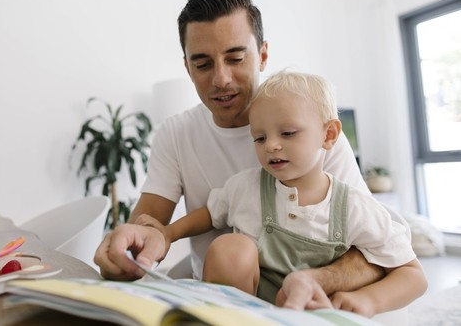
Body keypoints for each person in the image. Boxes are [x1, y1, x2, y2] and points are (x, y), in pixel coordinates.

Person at [94, 0, 391, 310]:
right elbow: (148, 227)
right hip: (221, 296)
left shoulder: (313, 134)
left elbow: (375, 251)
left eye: (236, 58)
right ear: (188, 68)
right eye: (203, 64)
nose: (221, 79)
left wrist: (313, 281)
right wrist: (129, 247)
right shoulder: (176, 133)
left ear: (263, 55)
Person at [135, 70, 427, 317]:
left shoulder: (354, 206)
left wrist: (369, 300)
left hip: (315, 315)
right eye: (260, 138)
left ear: (328, 135)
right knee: (230, 246)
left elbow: (412, 274)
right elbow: (210, 214)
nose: (271, 146)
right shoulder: (245, 187)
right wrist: (168, 232)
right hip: (250, 314)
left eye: (287, 133)